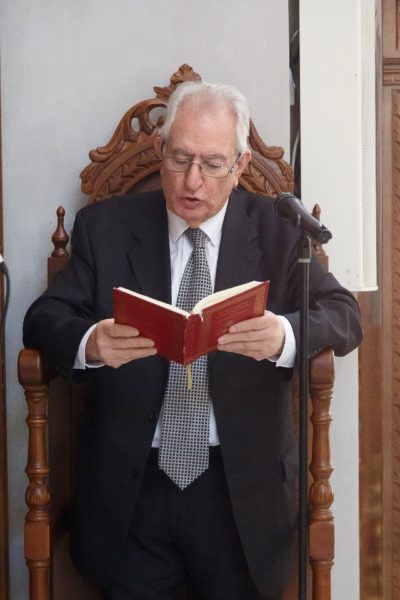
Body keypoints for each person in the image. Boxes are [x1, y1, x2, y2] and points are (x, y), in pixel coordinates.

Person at [23, 80, 362, 600]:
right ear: (160, 152)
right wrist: (90, 343)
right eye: (180, 159)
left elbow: (344, 315)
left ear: (241, 164)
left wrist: (285, 335)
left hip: (239, 490)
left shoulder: (279, 232)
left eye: (212, 164)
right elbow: (43, 318)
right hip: (132, 489)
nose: (192, 181)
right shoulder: (104, 228)